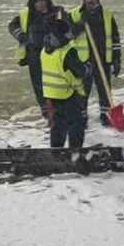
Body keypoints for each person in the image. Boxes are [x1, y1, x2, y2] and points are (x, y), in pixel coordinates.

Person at [8, 0, 69, 121]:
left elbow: (69, 26)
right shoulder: (27, 15)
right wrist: (22, 37)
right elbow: (12, 26)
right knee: (39, 87)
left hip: (54, 57)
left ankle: (61, 111)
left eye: (43, 1)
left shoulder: (57, 13)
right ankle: (48, 114)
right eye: (37, 1)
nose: (40, 4)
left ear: (47, 1)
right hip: (34, 56)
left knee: (58, 85)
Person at [70, 0, 121, 127]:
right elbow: (66, 35)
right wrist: (79, 25)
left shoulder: (106, 16)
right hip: (83, 60)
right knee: (82, 90)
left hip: (103, 59)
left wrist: (117, 60)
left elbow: (115, 40)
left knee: (104, 89)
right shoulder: (75, 14)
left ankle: (106, 116)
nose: (89, 0)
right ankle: (81, 118)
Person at [40, 18, 88, 150]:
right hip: (69, 93)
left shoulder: (45, 51)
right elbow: (79, 72)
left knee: (58, 125)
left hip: (52, 94)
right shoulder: (67, 52)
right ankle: (75, 152)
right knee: (77, 124)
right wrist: (87, 67)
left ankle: (56, 151)